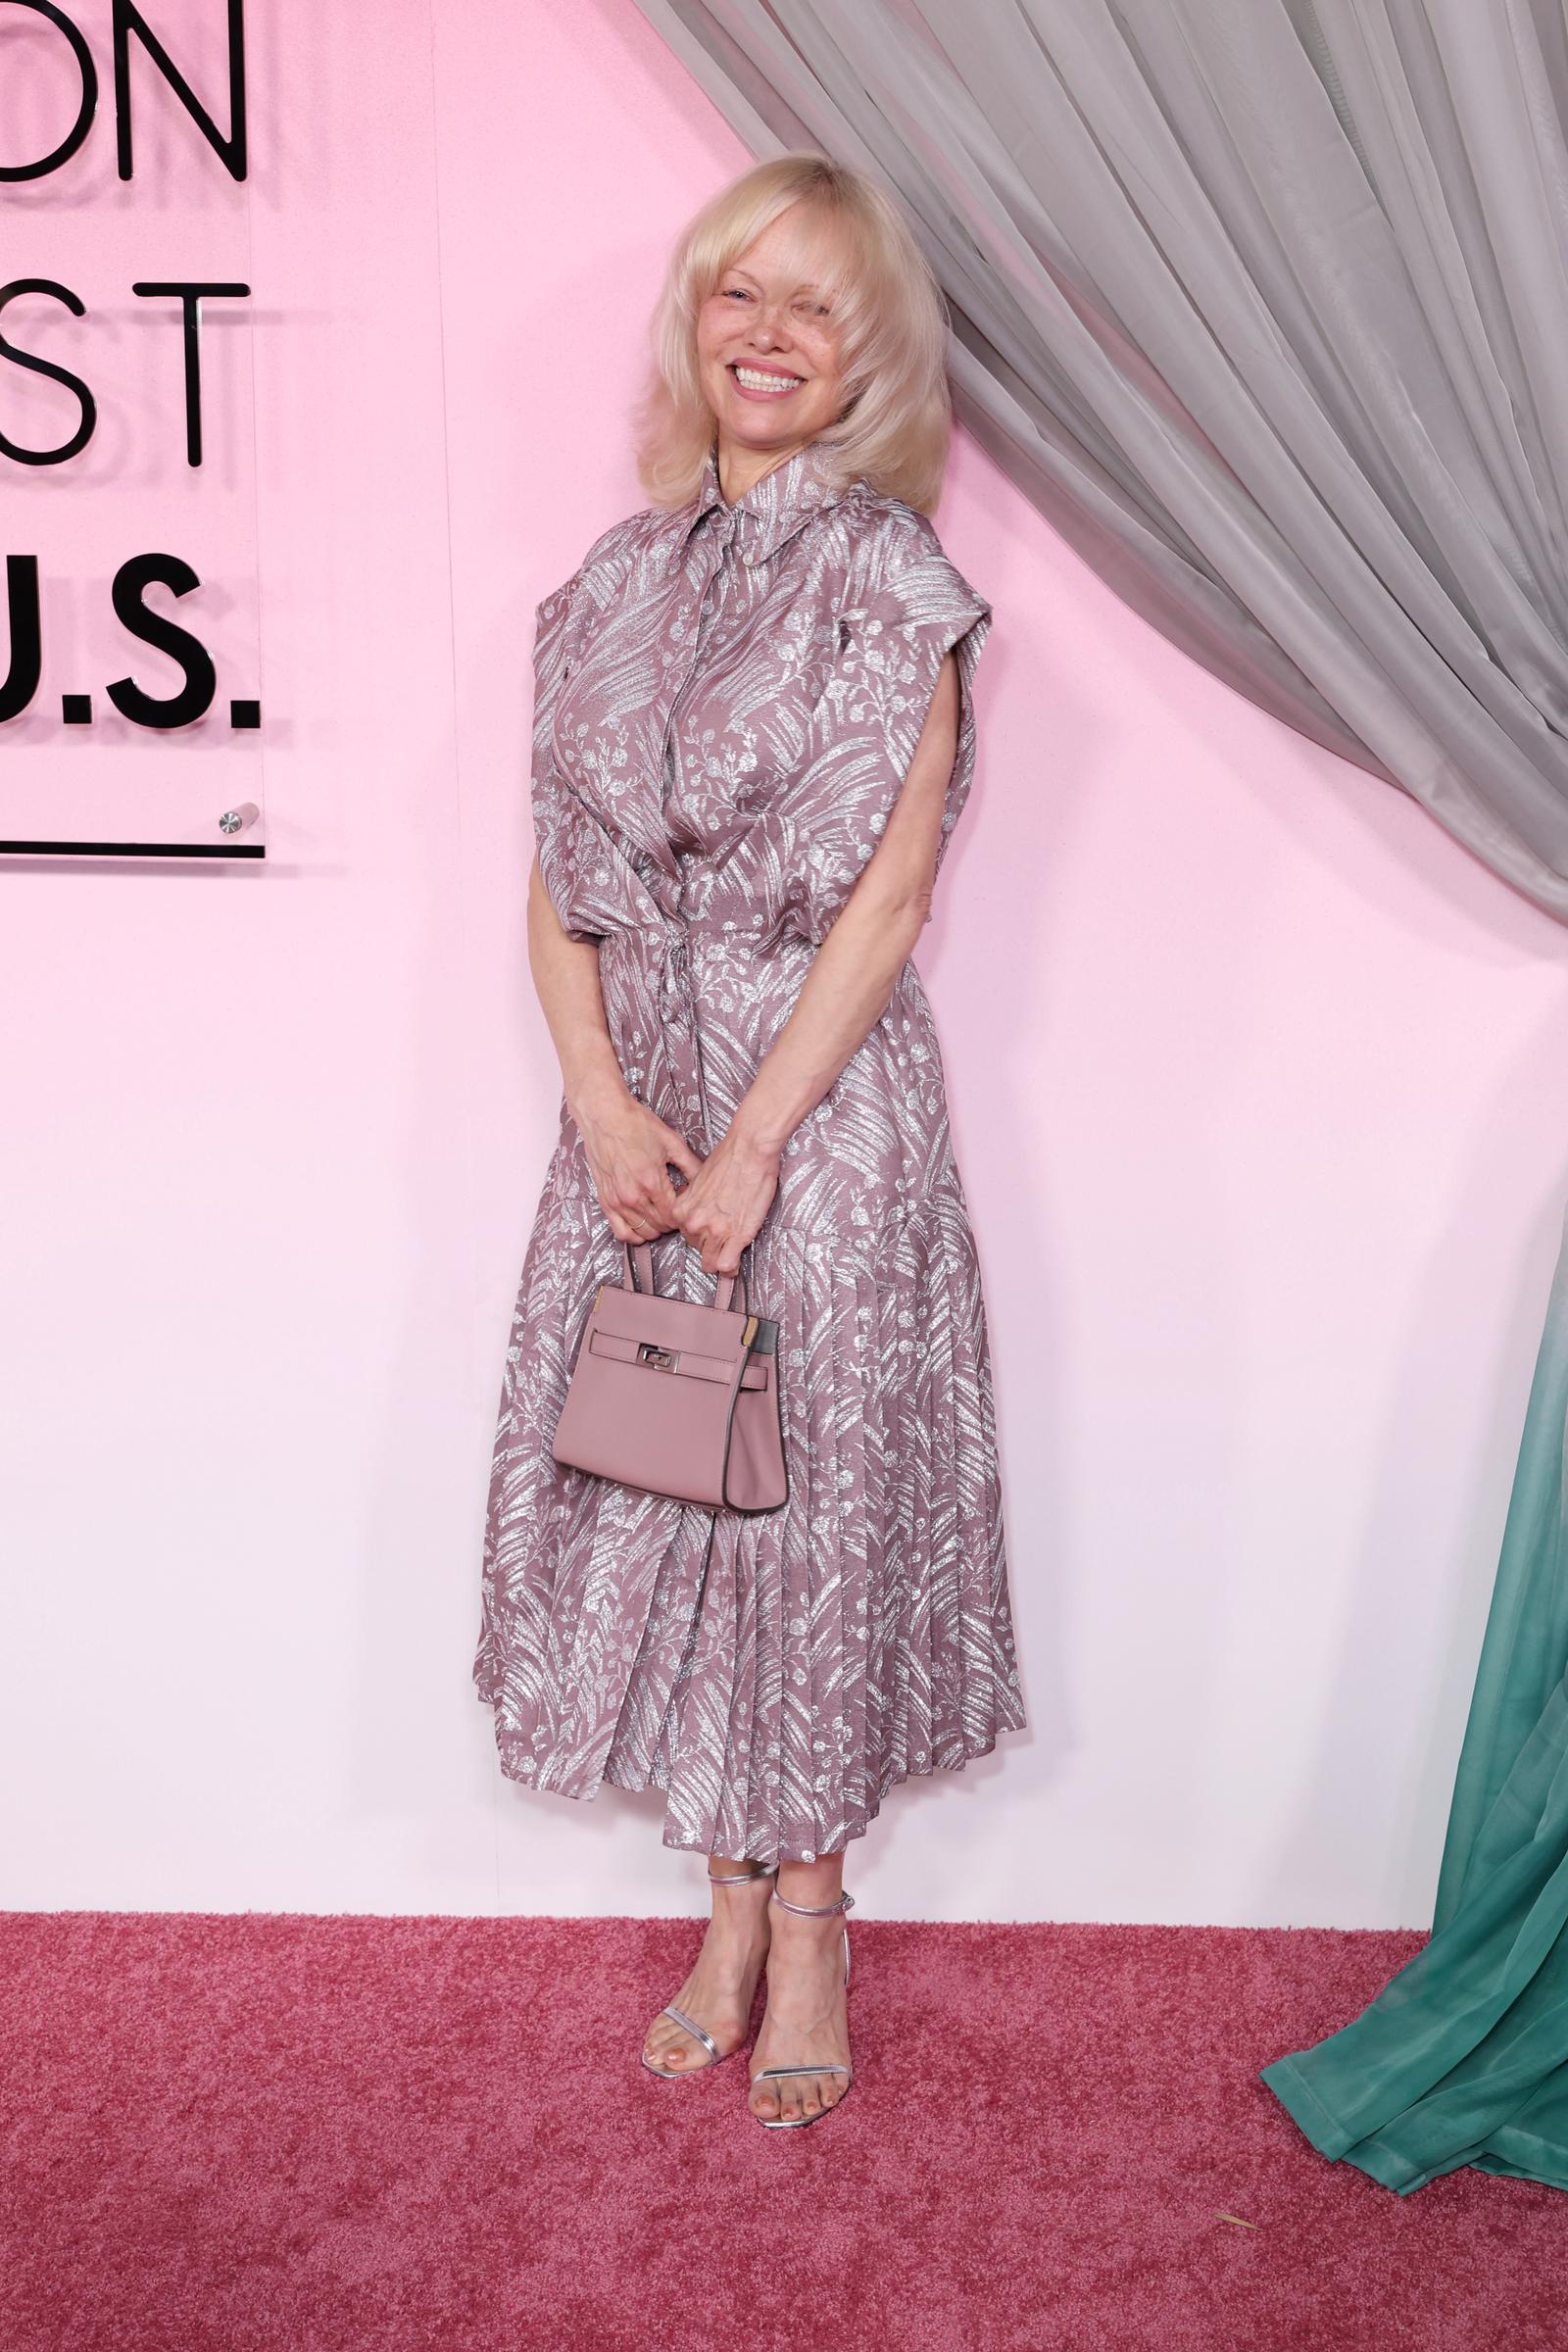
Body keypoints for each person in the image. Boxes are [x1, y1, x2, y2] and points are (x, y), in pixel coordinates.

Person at [473, 150, 1026, 2130]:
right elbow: (553, 887)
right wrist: (608, 1107)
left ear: (864, 349)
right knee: (666, 1495)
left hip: (823, 1112)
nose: (767, 334)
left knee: (805, 1523)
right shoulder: (606, 586)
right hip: (635, 1122)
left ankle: (809, 1920)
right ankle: (716, 1900)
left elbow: (884, 899)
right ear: (692, 322)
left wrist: (758, 1143)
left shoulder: (897, 583)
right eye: (736, 294)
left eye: (812, 303)